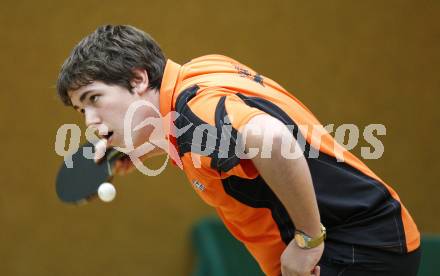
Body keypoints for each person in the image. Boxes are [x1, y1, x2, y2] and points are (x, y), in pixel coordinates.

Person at [56, 25, 421, 276]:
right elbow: (208, 131)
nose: (89, 119)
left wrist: (309, 239)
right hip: (377, 234)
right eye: (81, 109)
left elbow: (271, 139)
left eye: (94, 99)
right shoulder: (199, 73)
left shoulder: (197, 115)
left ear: (138, 79)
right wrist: (139, 149)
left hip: (352, 249)